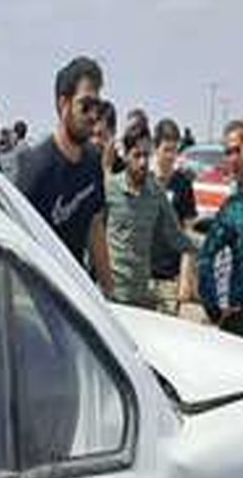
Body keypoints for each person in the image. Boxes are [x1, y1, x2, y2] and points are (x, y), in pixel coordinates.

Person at [16, 57, 114, 296]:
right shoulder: (35, 168)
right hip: (39, 296)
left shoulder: (93, 161)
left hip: (78, 295)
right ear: (64, 104)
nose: (93, 115)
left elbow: (95, 226)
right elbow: (15, 245)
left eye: (98, 107)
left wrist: (110, 293)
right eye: (85, 105)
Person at [104, 121, 196, 308]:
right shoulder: (109, 189)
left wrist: (198, 251)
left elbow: (177, 236)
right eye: (137, 155)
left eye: (146, 155)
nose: (143, 162)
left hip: (141, 297)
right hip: (110, 297)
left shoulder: (156, 193)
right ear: (125, 155)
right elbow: (94, 236)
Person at [198, 120, 243, 336]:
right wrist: (216, 312)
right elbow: (205, 258)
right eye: (228, 152)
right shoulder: (232, 209)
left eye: (237, 150)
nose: (232, 158)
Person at [152, 118, 199, 313]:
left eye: (175, 150)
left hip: (169, 280)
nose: (171, 156)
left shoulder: (183, 184)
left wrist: (185, 280)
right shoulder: (144, 179)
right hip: (140, 277)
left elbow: (187, 235)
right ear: (156, 148)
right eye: (166, 150)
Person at [92, 99, 121, 176]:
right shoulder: (84, 168)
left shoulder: (126, 173)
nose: (94, 141)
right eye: (91, 135)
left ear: (113, 132)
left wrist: (107, 169)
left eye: (100, 135)